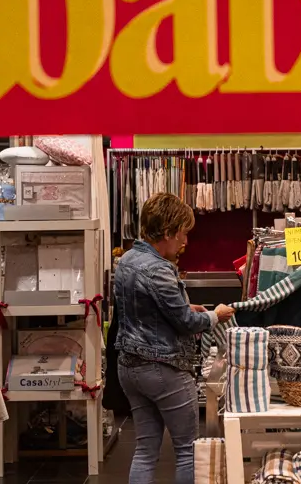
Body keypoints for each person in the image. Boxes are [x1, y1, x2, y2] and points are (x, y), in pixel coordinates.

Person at [114, 193, 235, 484]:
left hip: (129, 367)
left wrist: (185, 307)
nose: (185, 242)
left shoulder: (127, 260)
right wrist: (214, 315)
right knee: (186, 451)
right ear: (167, 232)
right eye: (182, 234)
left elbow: (147, 310)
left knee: (144, 450)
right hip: (164, 367)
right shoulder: (159, 269)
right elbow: (185, 323)